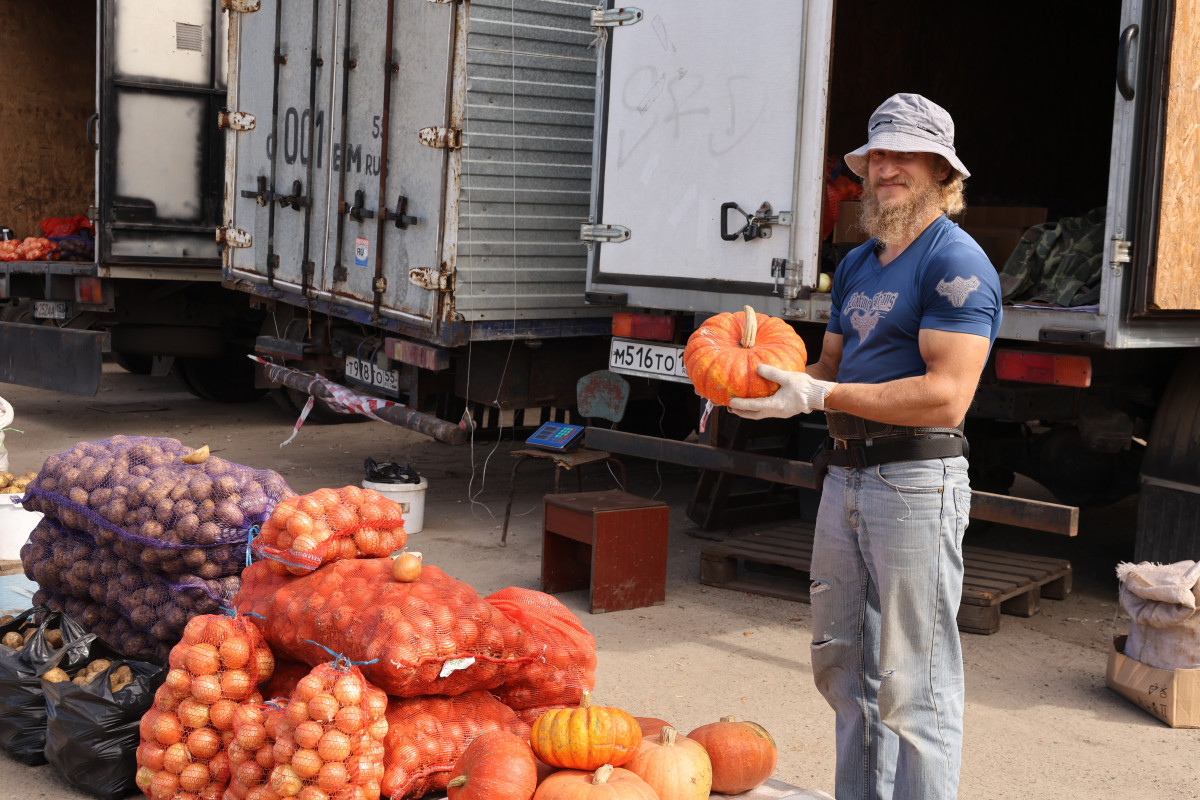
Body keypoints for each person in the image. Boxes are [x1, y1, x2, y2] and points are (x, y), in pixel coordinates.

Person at [730, 93, 1002, 800]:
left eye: (904, 155)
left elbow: (948, 394)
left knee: (916, 683)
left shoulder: (957, 264)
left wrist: (823, 397)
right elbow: (831, 369)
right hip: (844, 480)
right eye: (878, 154)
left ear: (943, 171)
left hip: (916, 483)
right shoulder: (856, 264)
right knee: (842, 668)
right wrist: (777, 387)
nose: (886, 168)